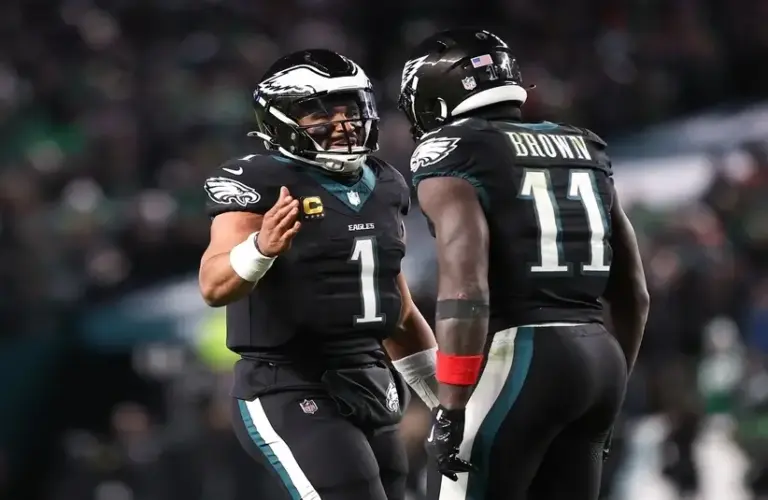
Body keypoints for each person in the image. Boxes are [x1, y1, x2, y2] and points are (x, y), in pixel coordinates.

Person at [397, 29, 650, 500]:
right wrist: (616, 382)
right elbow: (634, 291)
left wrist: (451, 406)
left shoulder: (453, 149)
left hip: (522, 356)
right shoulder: (584, 145)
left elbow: (465, 286)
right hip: (600, 358)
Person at [198, 49, 440, 500]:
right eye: (322, 110)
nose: (344, 122)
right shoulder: (260, 181)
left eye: (350, 107)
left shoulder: (385, 183)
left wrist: (445, 399)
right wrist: (260, 249)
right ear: (281, 118)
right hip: (289, 382)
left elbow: (398, 308)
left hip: (371, 376)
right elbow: (213, 285)